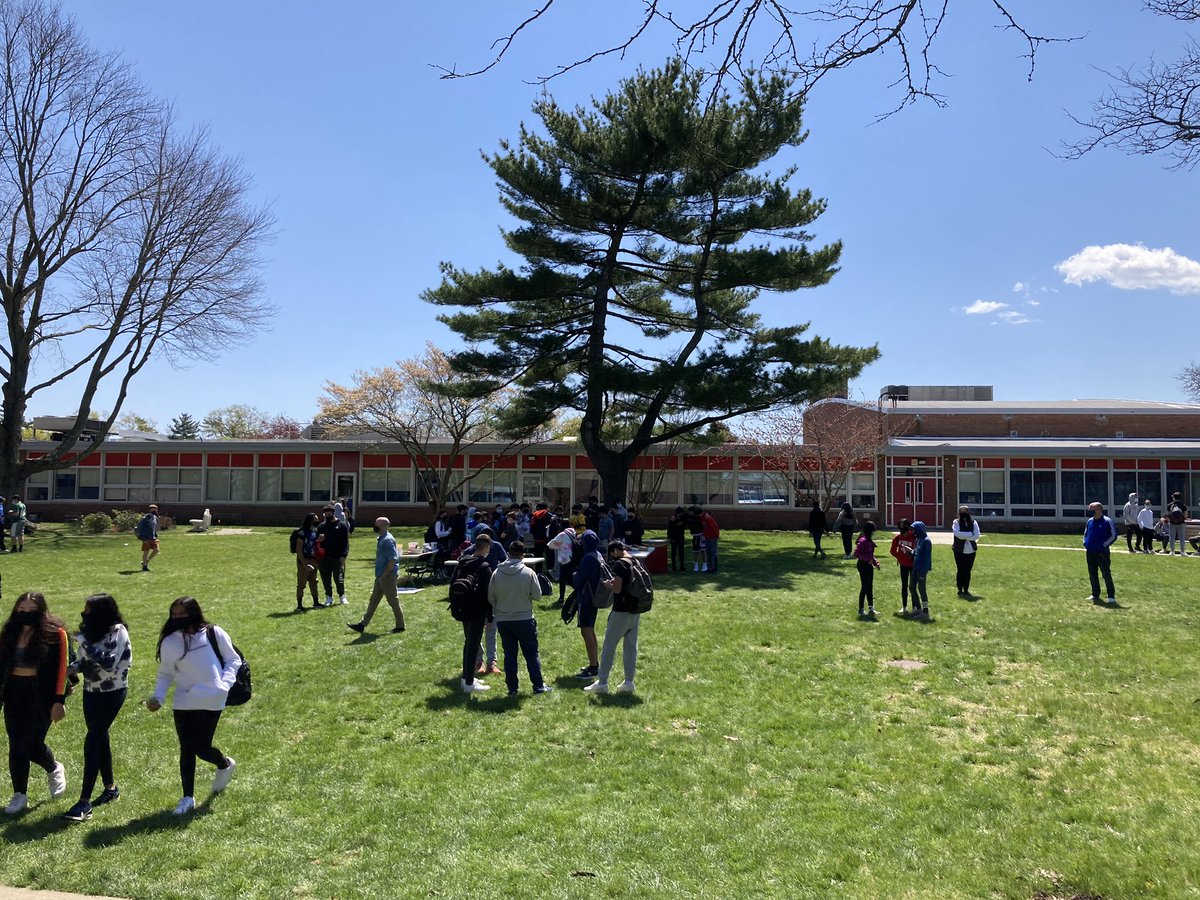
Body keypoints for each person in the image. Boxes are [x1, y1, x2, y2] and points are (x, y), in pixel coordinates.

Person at [147, 597, 239, 815]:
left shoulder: (213, 633)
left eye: (182, 614)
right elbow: (165, 674)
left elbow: (233, 660)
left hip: (212, 699)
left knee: (201, 747)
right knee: (186, 748)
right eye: (174, 614)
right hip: (184, 701)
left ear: (194, 613)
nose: (177, 618)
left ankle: (224, 764)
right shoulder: (170, 642)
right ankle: (187, 797)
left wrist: (224, 685)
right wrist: (158, 697)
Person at [61, 593, 132, 822]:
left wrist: (84, 642)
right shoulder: (90, 633)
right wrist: (73, 668)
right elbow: (85, 661)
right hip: (91, 691)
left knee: (93, 738)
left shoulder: (118, 631)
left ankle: (84, 802)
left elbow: (108, 662)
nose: (84, 614)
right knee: (99, 737)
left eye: (88, 611)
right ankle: (111, 788)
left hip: (113, 692)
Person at [1, 591, 68, 815]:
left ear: (41, 611)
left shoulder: (55, 635)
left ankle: (53, 768)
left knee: (31, 742)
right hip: (14, 692)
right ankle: (19, 794)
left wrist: (59, 700)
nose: (26, 614)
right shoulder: (9, 632)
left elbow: (62, 668)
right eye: (21, 610)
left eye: (31, 610)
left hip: (40, 695)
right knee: (15, 743)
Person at [489, 540, 551, 696]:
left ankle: (512, 688)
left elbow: (491, 597)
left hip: (503, 620)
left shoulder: (496, 573)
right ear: (523, 555)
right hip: (524, 618)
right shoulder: (528, 573)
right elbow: (537, 596)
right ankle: (538, 685)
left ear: (508, 554)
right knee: (531, 654)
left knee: (510, 655)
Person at [583, 541, 642, 694]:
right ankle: (629, 682)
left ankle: (602, 683)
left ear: (615, 551)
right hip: (635, 611)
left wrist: (609, 585)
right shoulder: (635, 561)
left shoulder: (620, 564)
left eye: (611, 554)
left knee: (609, 647)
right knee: (631, 648)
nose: (612, 558)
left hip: (621, 611)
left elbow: (617, 589)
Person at [348, 517, 406, 634]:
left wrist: (385, 574)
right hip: (381, 575)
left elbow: (393, 560)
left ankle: (400, 626)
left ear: (384, 526)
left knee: (393, 601)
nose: (375, 526)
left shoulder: (387, 540)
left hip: (387, 576)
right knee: (374, 600)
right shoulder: (381, 539)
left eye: (377, 525)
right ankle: (362, 625)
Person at [454, 535, 493, 694]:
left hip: (463, 608)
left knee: (468, 644)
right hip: (477, 610)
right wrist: (489, 616)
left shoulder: (463, 562)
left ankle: (466, 677)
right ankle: (469, 684)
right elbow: (488, 594)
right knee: (473, 646)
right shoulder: (484, 566)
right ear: (486, 548)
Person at [571, 530, 604, 679]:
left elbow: (578, 581)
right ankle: (594, 662)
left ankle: (593, 668)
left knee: (586, 631)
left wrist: (574, 575)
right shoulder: (598, 555)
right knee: (590, 630)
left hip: (586, 599)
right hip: (595, 597)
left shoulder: (587, 559)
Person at [1083, 501, 1118, 606]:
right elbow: (1086, 533)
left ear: (1098, 509)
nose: (1089, 511)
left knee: (1106, 573)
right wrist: (1085, 542)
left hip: (1102, 552)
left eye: (1091, 509)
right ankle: (1095, 594)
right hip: (1090, 552)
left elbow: (1113, 535)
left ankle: (1111, 596)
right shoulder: (1089, 521)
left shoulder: (1107, 521)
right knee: (1092, 574)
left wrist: (1103, 545)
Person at [317, 505, 350, 606]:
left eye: (329, 514)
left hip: (337, 556)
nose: (327, 516)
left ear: (333, 513)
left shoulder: (341, 525)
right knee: (326, 578)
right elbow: (317, 542)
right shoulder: (321, 526)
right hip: (324, 557)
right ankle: (329, 597)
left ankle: (342, 596)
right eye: (325, 514)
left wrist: (344, 555)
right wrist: (319, 540)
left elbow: (345, 542)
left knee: (339, 577)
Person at [292, 512, 321, 610]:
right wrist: (305, 564)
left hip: (313, 559)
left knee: (314, 582)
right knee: (302, 583)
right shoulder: (302, 533)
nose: (317, 521)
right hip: (304, 560)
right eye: (316, 519)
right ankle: (299, 605)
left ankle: (316, 602)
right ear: (310, 521)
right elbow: (299, 550)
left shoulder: (314, 532)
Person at [951, 505, 981, 597]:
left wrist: (966, 536)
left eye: (965, 511)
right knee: (960, 570)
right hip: (959, 550)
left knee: (968, 570)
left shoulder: (974, 522)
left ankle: (966, 589)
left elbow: (977, 535)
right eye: (962, 511)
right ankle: (960, 589)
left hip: (971, 551)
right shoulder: (956, 522)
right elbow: (958, 534)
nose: (964, 513)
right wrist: (970, 534)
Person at [853, 521, 881, 618]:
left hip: (868, 565)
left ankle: (871, 608)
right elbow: (856, 554)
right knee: (864, 586)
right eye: (873, 531)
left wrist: (876, 563)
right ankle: (861, 609)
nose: (873, 533)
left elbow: (871, 555)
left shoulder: (869, 541)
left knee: (870, 586)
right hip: (862, 565)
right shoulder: (863, 541)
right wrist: (867, 560)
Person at [889, 519, 916, 614]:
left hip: (913, 564)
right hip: (903, 565)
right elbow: (892, 550)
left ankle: (915, 606)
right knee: (904, 585)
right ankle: (904, 607)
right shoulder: (897, 538)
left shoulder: (914, 536)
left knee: (913, 586)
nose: (902, 529)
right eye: (900, 526)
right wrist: (899, 557)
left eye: (903, 526)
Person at [910, 521, 932, 619]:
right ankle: (919, 609)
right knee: (911, 587)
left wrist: (923, 573)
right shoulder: (918, 540)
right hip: (915, 567)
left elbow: (927, 559)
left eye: (914, 530)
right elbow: (916, 552)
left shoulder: (926, 541)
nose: (913, 532)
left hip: (922, 569)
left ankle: (925, 612)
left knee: (922, 589)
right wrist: (910, 551)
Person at [137, 504, 160, 572]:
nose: (155, 510)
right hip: (146, 537)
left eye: (155, 509)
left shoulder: (155, 518)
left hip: (153, 537)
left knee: (156, 550)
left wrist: (156, 535)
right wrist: (143, 538)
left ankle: (146, 561)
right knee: (146, 551)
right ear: (149, 510)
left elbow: (154, 528)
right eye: (153, 509)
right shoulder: (145, 518)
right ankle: (144, 566)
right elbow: (140, 528)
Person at [1166, 491, 1189, 556]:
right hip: (1181, 523)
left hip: (1172, 523)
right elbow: (1186, 516)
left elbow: (1169, 515)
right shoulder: (1183, 506)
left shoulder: (1169, 505)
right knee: (1182, 538)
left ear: (1173, 497)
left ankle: (1172, 551)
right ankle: (1182, 552)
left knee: (1172, 538)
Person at [700, 507, 720, 573]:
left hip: (712, 537)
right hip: (707, 537)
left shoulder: (708, 519)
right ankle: (709, 567)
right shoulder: (702, 518)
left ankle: (713, 567)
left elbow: (715, 527)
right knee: (708, 552)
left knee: (712, 552)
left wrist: (717, 536)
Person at [666, 507, 687, 572]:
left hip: (680, 537)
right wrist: (669, 537)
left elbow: (687, 516)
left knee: (681, 552)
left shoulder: (683, 518)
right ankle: (674, 566)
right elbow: (669, 529)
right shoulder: (672, 519)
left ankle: (682, 566)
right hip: (673, 537)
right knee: (673, 552)